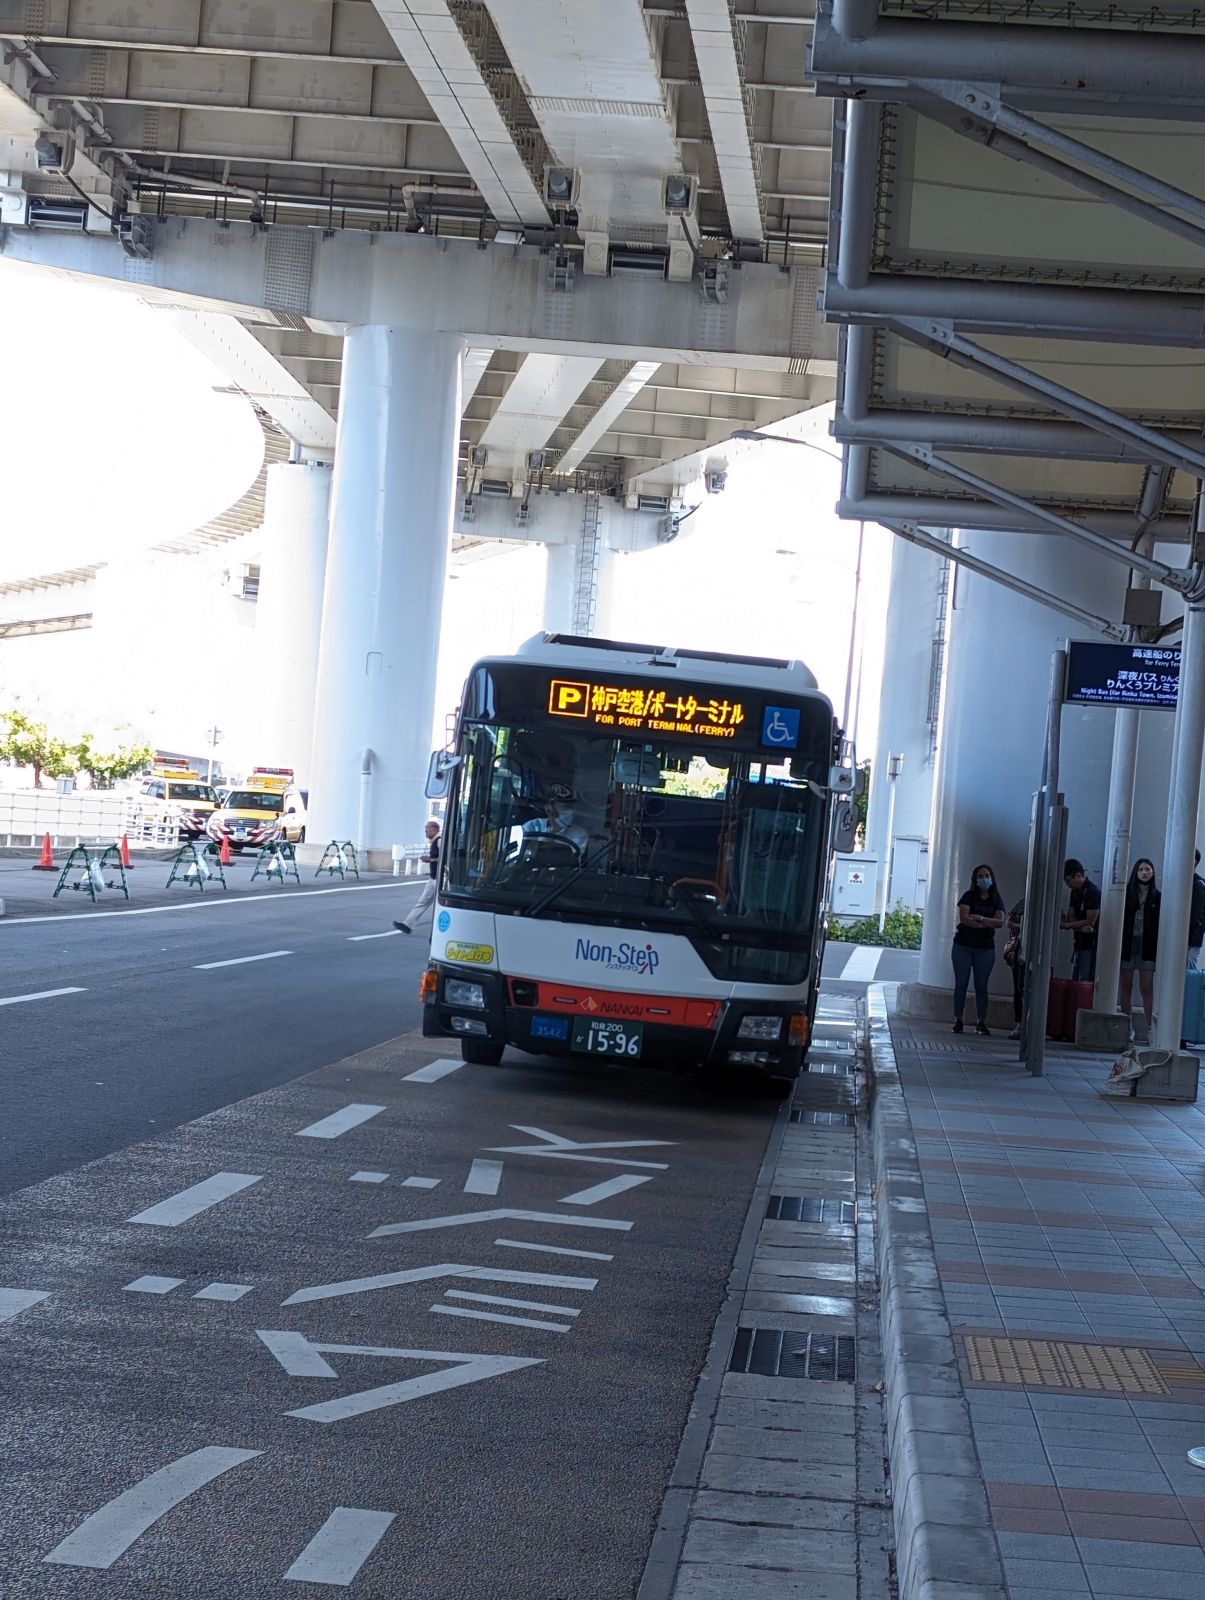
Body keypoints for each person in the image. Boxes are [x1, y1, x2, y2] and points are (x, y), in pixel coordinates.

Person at [951, 863, 1006, 1036]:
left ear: (992, 878)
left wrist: (981, 919)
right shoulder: (968, 896)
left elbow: (1000, 922)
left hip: (985, 948)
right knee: (961, 984)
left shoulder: (996, 899)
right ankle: (958, 1019)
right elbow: (964, 918)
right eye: (980, 876)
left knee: (981, 985)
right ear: (975, 879)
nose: (984, 879)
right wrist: (986, 923)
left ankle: (981, 1021)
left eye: (986, 875)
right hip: (963, 946)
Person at [1118, 857, 1160, 1041]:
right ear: (1135, 872)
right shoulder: (1126, 894)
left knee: (1146, 987)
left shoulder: (1157, 897)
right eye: (1141, 869)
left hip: (1147, 945)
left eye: (1148, 869)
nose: (1144, 872)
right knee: (1126, 985)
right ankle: (1128, 1026)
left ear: (1152, 872)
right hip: (1128, 943)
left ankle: (1151, 1026)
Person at [394, 819, 440, 934]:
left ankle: (409, 924)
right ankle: (408, 924)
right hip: (434, 878)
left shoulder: (439, 841)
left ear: (434, 829)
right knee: (424, 902)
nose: (425, 831)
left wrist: (430, 859)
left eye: (427, 828)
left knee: (425, 903)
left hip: (438, 879)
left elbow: (446, 858)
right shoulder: (435, 841)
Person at [1061, 858, 1101, 983]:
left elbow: (1090, 922)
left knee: (1085, 979)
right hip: (1079, 941)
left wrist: (1069, 925)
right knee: (1075, 977)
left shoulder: (1091, 892)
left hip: (1091, 944)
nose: (1067, 885)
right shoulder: (1075, 892)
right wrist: (1076, 925)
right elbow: (1070, 917)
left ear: (1078, 876)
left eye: (1068, 881)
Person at [522, 784, 588, 852]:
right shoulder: (531, 826)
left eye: (571, 807)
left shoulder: (579, 835)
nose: (570, 811)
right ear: (550, 808)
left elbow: (574, 860)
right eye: (564, 806)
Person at [1003, 895, 1025, 1040]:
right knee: (1018, 989)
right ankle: (1019, 1023)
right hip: (1019, 951)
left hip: (1040, 954)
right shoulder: (1022, 903)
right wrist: (1023, 926)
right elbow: (1008, 922)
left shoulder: (1051, 905)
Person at [1189, 850, 1205, 970]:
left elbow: (1198, 915)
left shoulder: (1198, 884)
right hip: (1185, 939)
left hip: (1191, 942)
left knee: (1188, 975)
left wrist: (1191, 941)